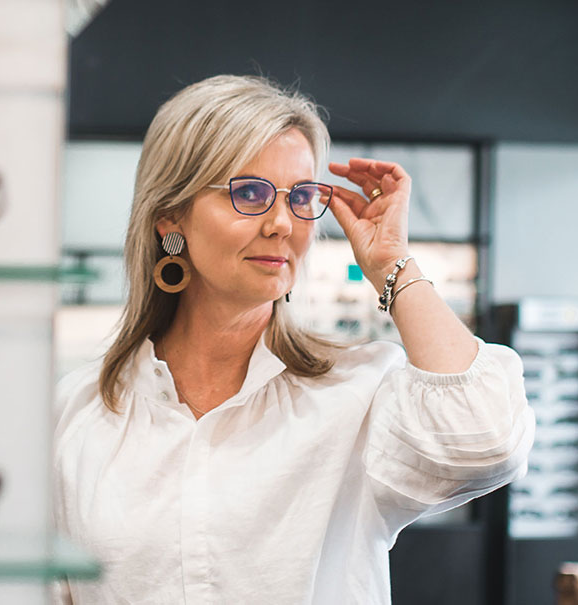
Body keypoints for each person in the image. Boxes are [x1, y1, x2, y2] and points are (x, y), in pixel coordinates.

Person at [53, 74, 533, 604]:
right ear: (172, 217)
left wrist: (391, 263)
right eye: (251, 193)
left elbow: (488, 442)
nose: (283, 223)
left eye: (301, 196)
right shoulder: (81, 414)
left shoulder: (355, 393)